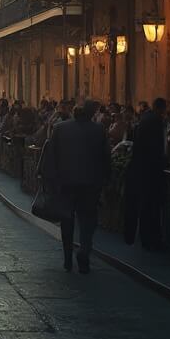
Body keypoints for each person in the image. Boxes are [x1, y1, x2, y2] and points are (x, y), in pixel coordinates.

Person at [42, 100, 110, 273]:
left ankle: (67, 258)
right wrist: (105, 180)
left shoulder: (60, 128)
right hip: (90, 183)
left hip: (66, 182)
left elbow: (51, 156)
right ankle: (84, 251)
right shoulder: (99, 130)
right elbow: (105, 158)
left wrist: (50, 181)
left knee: (67, 220)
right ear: (91, 113)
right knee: (88, 220)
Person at [124, 97, 166, 250]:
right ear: (161, 108)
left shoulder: (145, 119)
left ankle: (146, 238)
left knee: (144, 206)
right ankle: (150, 239)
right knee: (150, 207)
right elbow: (157, 148)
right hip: (150, 170)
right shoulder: (155, 121)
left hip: (141, 168)